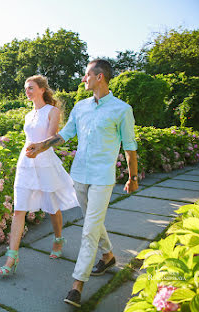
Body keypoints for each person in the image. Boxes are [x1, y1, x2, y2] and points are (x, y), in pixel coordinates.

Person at [26, 59, 138, 307]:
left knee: (89, 230)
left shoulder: (122, 110)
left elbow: (130, 147)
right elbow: (64, 135)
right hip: (80, 175)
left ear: (99, 77)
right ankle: (108, 256)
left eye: (87, 75)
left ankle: (77, 285)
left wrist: (133, 177)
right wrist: (41, 146)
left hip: (102, 179)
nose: (83, 79)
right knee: (93, 223)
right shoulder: (80, 107)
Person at [0, 75, 79, 276]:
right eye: (26, 88)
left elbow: (52, 138)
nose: (27, 91)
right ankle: (11, 257)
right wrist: (30, 151)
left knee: (52, 207)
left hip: (44, 163)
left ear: (42, 89)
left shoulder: (53, 111)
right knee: (19, 209)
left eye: (31, 87)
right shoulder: (28, 115)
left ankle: (58, 239)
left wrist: (39, 149)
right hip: (26, 162)